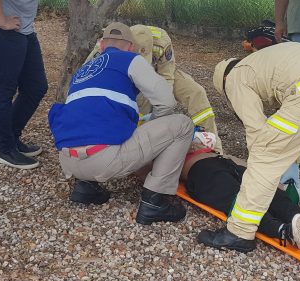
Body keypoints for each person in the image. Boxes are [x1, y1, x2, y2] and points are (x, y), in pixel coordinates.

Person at [198, 42, 300, 252]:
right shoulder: (263, 62)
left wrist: (271, 160)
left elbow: (256, 129)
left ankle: (239, 232)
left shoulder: (234, 77)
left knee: (264, 157)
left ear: (223, 80)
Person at [48, 22, 194, 225]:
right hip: (103, 160)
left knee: (90, 119)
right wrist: (155, 130)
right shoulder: (129, 59)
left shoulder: (84, 70)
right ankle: (155, 201)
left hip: (68, 161)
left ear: (101, 46)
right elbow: (166, 101)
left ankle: (86, 187)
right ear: (131, 47)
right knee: (183, 125)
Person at [181, 141, 300, 251]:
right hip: (200, 170)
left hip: (226, 163)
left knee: (266, 191)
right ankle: (285, 230)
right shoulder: (168, 146)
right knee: (239, 199)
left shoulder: (193, 139)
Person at [86, 25, 223, 153]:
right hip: (126, 74)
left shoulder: (162, 40)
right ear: (128, 46)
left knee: (196, 92)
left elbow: (167, 76)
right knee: (142, 104)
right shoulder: (107, 45)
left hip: (159, 71)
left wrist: (164, 105)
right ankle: (139, 148)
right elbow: (88, 75)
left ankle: (214, 147)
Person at [0, 0, 48, 169]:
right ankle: (5, 149)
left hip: (22, 28)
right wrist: (0, 19)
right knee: (3, 90)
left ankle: (10, 138)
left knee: (36, 86)